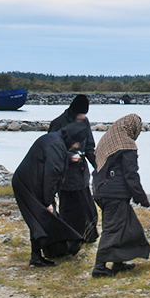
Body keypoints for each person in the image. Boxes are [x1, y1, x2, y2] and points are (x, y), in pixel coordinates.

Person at [12, 122, 88, 266]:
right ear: (72, 139)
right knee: (42, 218)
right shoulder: (56, 146)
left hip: (26, 180)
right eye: (77, 143)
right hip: (30, 184)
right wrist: (48, 202)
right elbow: (51, 175)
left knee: (39, 219)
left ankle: (40, 254)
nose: (78, 146)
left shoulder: (55, 139)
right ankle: (37, 256)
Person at [91, 114, 150, 278]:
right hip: (114, 193)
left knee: (128, 226)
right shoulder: (126, 145)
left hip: (101, 190)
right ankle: (99, 267)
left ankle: (118, 262)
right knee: (113, 229)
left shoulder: (108, 141)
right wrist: (142, 198)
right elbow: (131, 174)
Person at [48, 95, 98, 243]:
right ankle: (68, 239)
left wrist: (99, 166)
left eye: (84, 115)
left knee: (88, 209)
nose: (82, 117)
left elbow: (89, 147)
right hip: (65, 176)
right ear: (73, 111)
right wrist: (69, 157)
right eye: (80, 114)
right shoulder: (58, 123)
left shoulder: (85, 121)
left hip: (82, 175)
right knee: (69, 209)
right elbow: (50, 151)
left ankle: (88, 237)